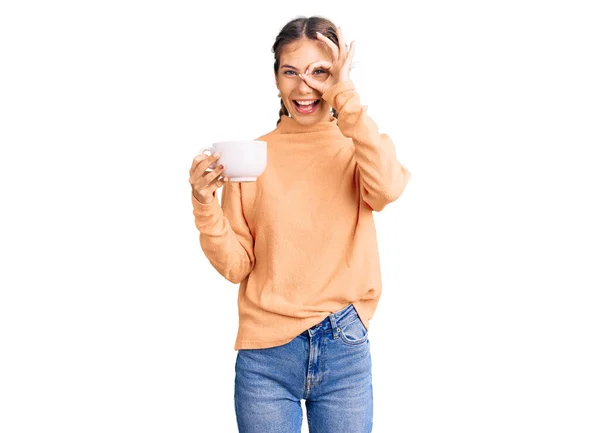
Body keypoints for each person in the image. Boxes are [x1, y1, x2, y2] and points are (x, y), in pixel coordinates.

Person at [188, 16, 410, 433]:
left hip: (343, 346)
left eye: (320, 72)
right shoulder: (250, 158)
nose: (304, 86)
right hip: (265, 358)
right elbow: (237, 266)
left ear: (337, 78)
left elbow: (389, 188)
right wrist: (204, 203)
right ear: (275, 78)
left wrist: (346, 96)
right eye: (290, 71)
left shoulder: (357, 147)